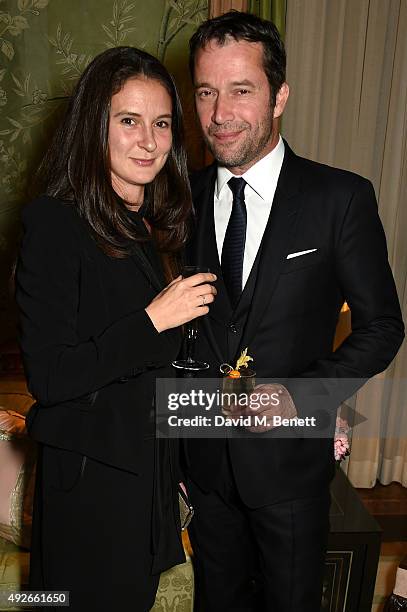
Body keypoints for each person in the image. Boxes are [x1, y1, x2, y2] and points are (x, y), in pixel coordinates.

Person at [182, 11, 404, 612]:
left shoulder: (341, 198)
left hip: (289, 471)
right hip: (203, 464)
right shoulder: (183, 197)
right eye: (206, 91)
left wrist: (301, 399)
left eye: (241, 89)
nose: (219, 113)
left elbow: (383, 326)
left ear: (280, 95)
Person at [15, 46, 216, 612]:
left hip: (145, 476)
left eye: (160, 124)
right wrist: (154, 320)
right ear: (93, 127)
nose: (149, 142)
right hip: (90, 487)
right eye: (128, 121)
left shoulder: (153, 228)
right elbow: (52, 376)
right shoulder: (56, 222)